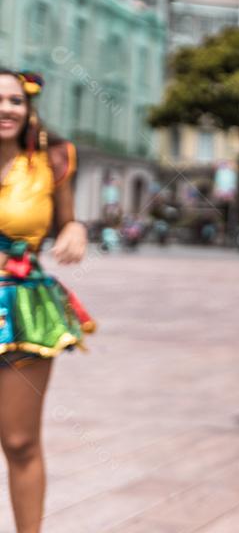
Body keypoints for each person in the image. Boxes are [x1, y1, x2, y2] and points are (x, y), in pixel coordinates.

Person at [0, 70, 91, 533]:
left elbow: (69, 222)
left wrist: (75, 230)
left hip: (22, 306)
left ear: (28, 106)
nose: (5, 109)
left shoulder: (50, 162)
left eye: (14, 100)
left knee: (18, 440)